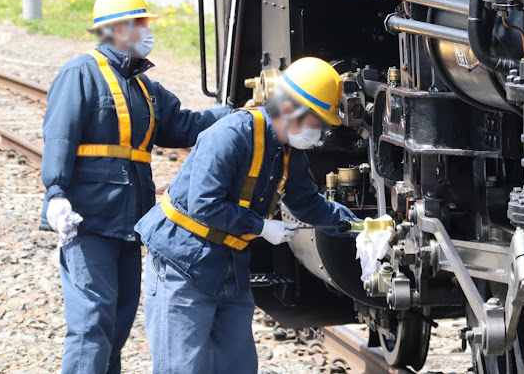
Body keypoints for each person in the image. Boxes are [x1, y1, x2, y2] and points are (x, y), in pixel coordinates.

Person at [40, 0, 232, 374]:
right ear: (117, 29)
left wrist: (237, 114)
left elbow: (185, 126)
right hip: (87, 223)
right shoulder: (81, 72)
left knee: (118, 320)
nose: (147, 30)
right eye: (141, 23)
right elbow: (59, 136)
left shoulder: (145, 87)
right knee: (92, 321)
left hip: (129, 224)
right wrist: (56, 194)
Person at [135, 57, 359, 374]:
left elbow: (307, 203)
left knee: (236, 367)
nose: (320, 133)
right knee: (181, 368)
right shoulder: (230, 135)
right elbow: (204, 204)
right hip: (181, 263)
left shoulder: (288, 152)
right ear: (291, 109)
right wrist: (261, 226)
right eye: (318, 122)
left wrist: (356, 226)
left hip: (229, 266)